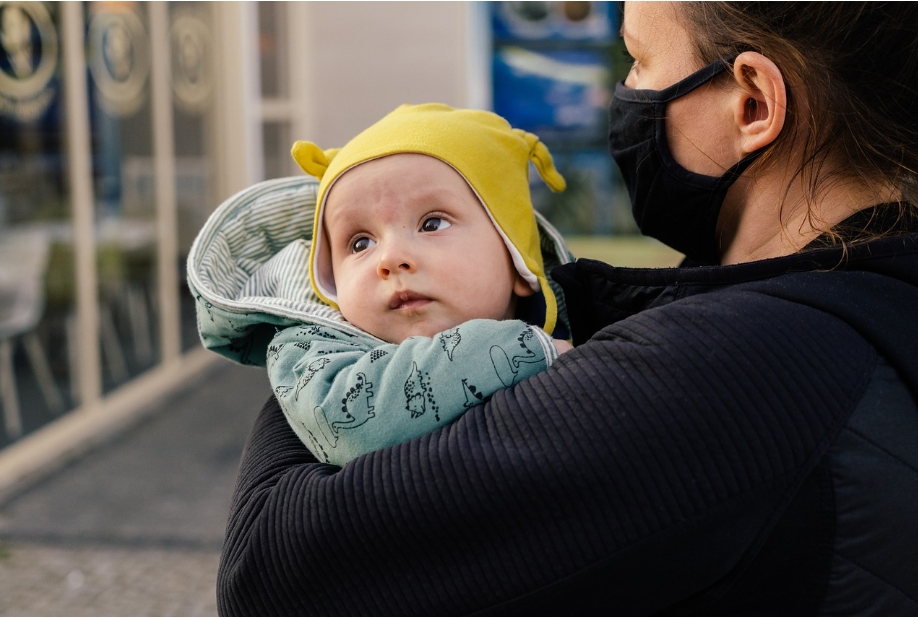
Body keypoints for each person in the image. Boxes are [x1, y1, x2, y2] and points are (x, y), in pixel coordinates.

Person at [214, 2, 918, 614]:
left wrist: (314, 323)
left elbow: (274, 573)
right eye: (359, 243)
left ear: (752, 104)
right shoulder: (834, 288)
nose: (626, 91)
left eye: (639, 60)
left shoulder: (742, 367)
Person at [192, 103, 573, 466]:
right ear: (331, 280)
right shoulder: (310, 351)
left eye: (432, 223)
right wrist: (522, 349)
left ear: (517, 262)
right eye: (360, 243)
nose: (390, 259)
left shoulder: (589, 323)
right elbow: (348, 421)